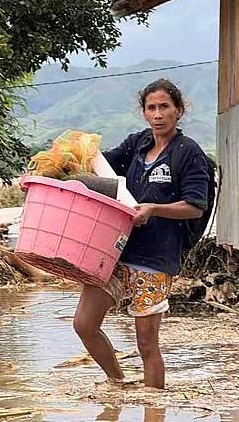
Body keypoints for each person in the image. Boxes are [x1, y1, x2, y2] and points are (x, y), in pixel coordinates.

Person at [72, 78, 209, 390]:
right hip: (115, 252)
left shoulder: (188, 153)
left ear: (179, 110)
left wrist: (153, 209)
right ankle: (118, 384)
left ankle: (153, 410)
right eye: (151, 108)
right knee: (84, 324)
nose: (158, 114)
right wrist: (59, 172)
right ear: (144, 112)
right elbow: (100, 170)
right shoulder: (137, 144)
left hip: (155, 259)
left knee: (147, 344)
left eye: (164, 107)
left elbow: (194, 206)